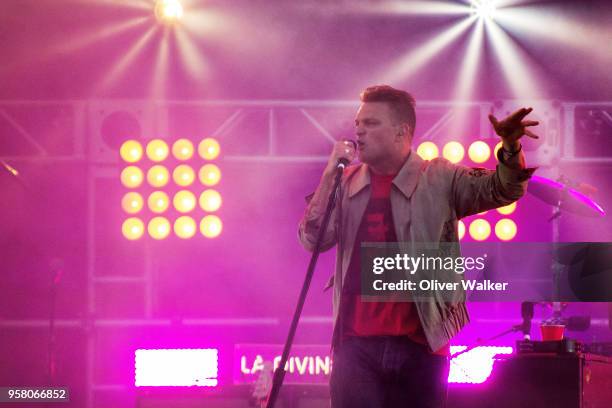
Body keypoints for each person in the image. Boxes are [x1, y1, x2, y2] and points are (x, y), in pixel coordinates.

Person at [298, 85, 538, 408]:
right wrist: (330, 174)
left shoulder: (438, 178)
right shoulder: (347, 181)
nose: (359, 130)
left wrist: (510, 146)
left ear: (401, 132)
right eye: (358, 123)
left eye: (371, 123)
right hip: (355, 346)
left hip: (422, 344)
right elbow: (313, 239)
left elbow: (504, 189)